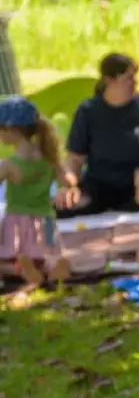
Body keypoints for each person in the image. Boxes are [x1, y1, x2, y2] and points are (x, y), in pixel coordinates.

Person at [61, 53, 139, 218]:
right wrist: (69, 185)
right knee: (64, 207)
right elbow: (74, 159)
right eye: (128, 78)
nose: (135, 83)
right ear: (109, 80)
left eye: (135, 77)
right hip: (100, 186)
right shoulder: (88, 112)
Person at [0, 96, 74, 285]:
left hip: (17, 222)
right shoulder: (50, 158)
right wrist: (66, 189)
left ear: (11, 130)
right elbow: (68, 180)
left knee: (6, 259)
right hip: (46, 219)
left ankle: (21, 270)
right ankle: (55, 266)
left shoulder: (9, 165)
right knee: (49, 252)